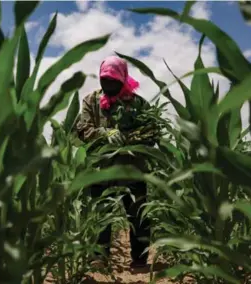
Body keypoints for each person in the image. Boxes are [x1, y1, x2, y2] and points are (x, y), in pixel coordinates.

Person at [76, 55, 155, 268]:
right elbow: (82, 130)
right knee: (100, 214)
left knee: (138, 215)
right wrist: (104, 132)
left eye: (114, 81)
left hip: (132, 169)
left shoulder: (139, 104)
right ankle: (98, 258)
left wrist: (129, 138)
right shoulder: (91, 101)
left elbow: (152, 134)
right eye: (105, 80)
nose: (109, 85)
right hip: (102, 169)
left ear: (123, 78)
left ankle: (140, 260)